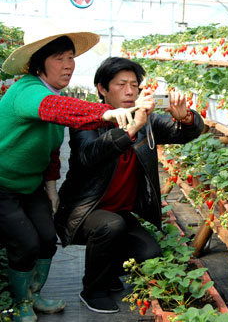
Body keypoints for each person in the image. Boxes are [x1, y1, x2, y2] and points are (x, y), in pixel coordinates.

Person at [0, 27, 150, 322]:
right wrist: (104, 113)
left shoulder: (54, 93)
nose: (68, 65)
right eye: (59, 58)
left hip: (30, 186)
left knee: (46, 238)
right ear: (38, 64)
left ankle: (34, 295)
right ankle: (18, 303)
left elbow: (52, 152)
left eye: (71, 57)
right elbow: (57, 109)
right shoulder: (28, 91)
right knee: (26, 243)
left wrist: (51, 190)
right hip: (2, 185)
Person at [55, 57, 204, 314]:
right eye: (121, 84)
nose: (129, 91)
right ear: (102, 89)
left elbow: (185, 133)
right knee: (110, 226)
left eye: (134, 85)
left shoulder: (148, 121)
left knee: (149, 252)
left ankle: (108, 271)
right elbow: (87, 156)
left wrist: (186, 118)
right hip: (83, 211)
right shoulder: (88, 121)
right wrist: (131, 129)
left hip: (120, 211)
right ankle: (92, 289)